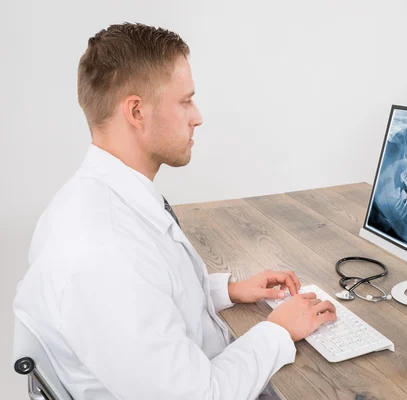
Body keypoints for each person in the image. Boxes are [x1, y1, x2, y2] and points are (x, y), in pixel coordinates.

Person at [13, 22, 336, 400]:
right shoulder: (105, 251)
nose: (197, 116)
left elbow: (151, 299)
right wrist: (278, 330)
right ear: (136, 111)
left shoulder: (95, 199)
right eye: (185, 101)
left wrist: (227, 291)